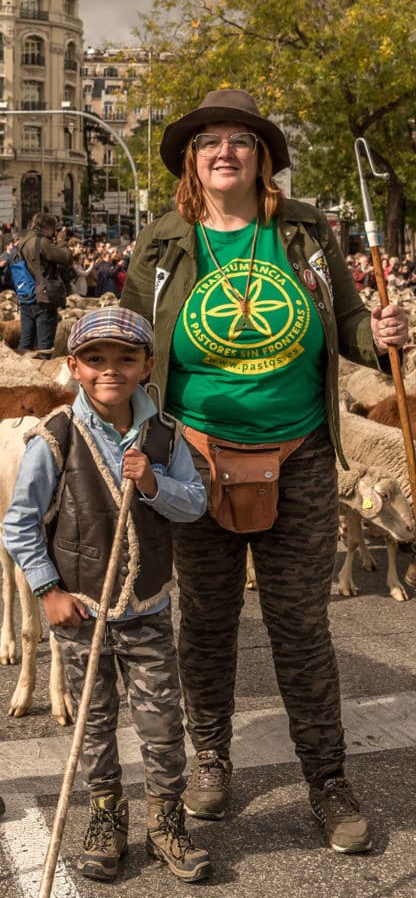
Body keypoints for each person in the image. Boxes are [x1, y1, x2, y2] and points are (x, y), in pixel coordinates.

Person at [120, 88, 409, 856]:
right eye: (209, 141)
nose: (225, 151)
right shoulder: (163, 242)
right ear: (193, 158)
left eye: (240, 141)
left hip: (302, 455)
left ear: (263, 158)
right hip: (196, 461)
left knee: (300, 628)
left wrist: (379, 336)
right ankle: (210, 758)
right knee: (205, 626)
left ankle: (327, 779)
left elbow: (347, 322)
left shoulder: (307, 234)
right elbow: (132, 346)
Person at [2, 307, 211, 884]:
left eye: (125, 358)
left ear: (147, 366)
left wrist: (151, 482)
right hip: (81, 610)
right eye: (94, 359)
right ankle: (105, 816)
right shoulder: (55, 436)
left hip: (145, 609)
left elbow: (194, 504)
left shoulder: (165, 435)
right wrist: (47, 591)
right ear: (73, 367)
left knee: (163, 722)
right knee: (93, 724)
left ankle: (166, 818)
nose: (109, 370)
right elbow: (19, 524)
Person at [17, 212, 73, 357]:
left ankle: (21, 374)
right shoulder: (41, 242)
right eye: (54, 228)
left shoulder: (23, 242)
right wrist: (61, 241)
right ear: (47, 228)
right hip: (43, 299)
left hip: (27, 296)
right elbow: (66, 258)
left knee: (25, 344)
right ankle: (40, 376)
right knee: (44, 348)